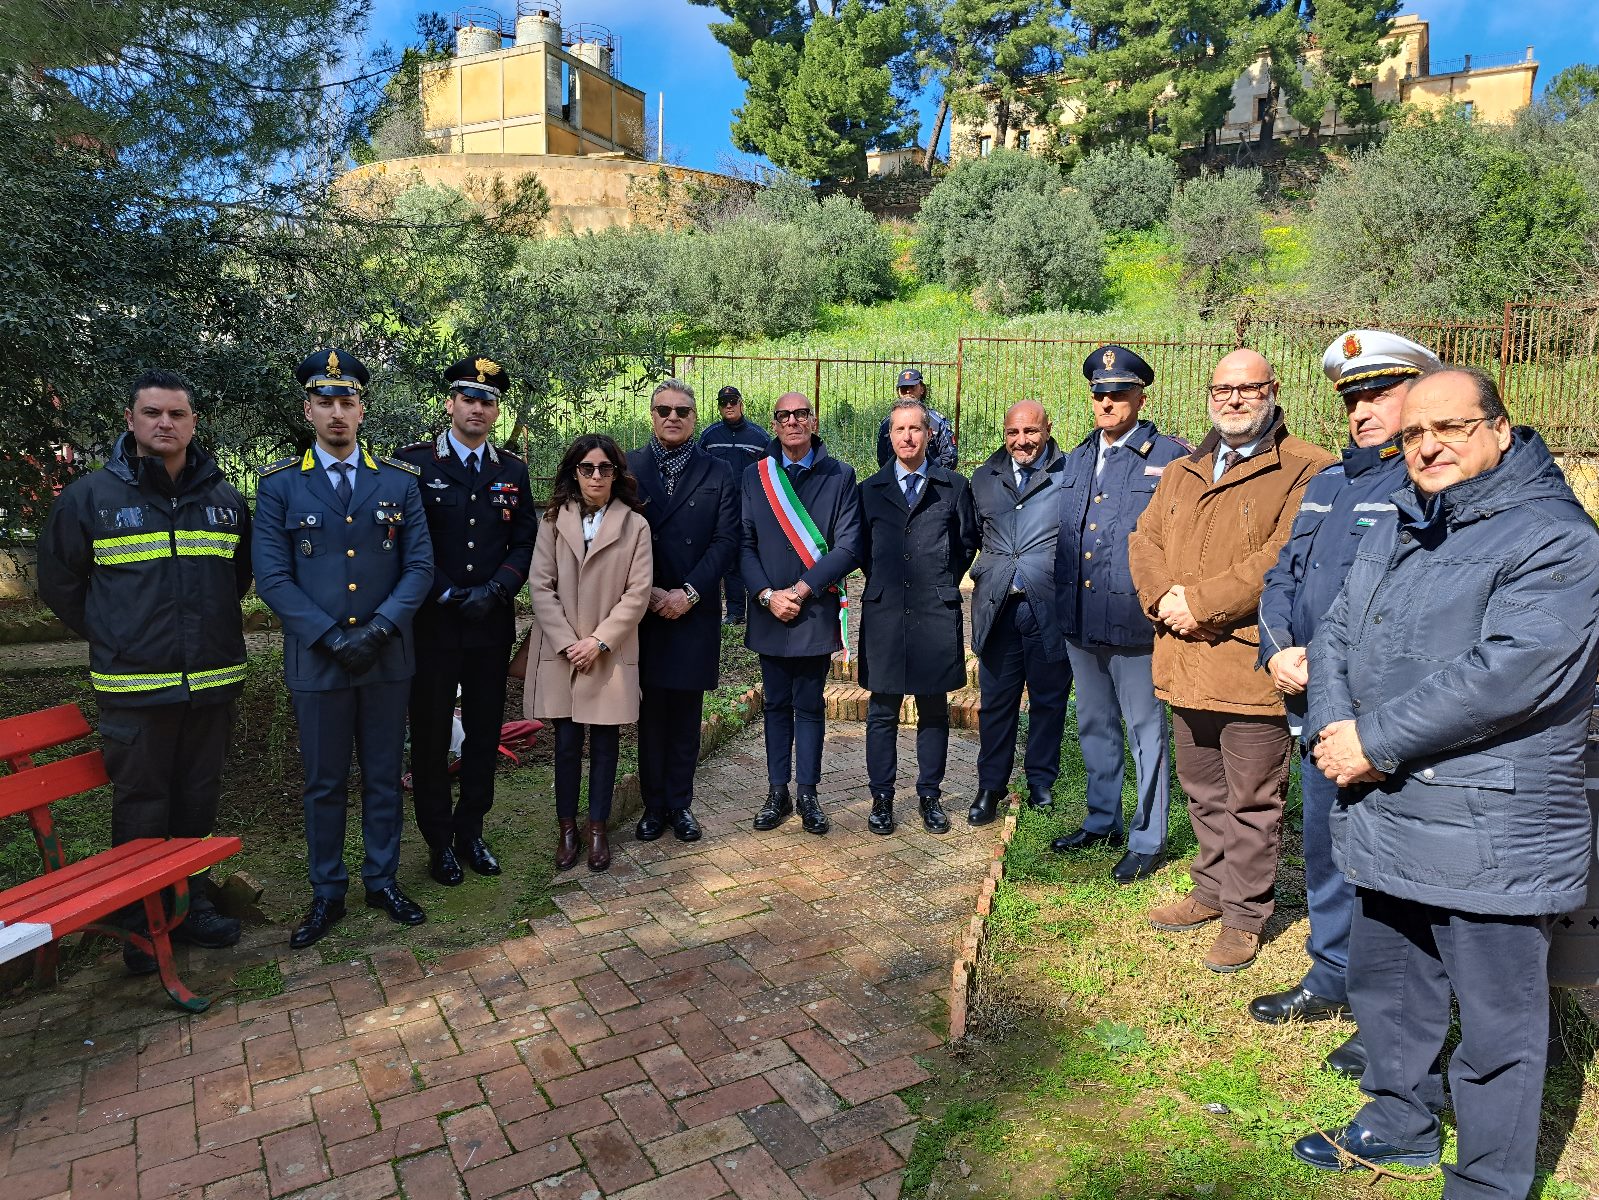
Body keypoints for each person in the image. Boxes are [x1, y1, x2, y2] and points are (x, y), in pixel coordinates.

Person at [1292, 367, 1599, 1199]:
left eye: (1450, 428)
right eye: (1413, 433)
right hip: (1385, 805)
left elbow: (1509, 673)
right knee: (1388, 985)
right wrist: (1334, 730)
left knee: (1497, 1025)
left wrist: (1373, 740)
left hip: (1486, 823)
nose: (1425, 447)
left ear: (1499, 429)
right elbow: (1337, 631)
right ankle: (1397, 1125)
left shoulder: (1557, 539)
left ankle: (1489, 1183)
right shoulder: (1400, 521)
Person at [1247, 331, 1440, 1076]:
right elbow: (1282, 576)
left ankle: (1386, 1008)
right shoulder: (1330, 481)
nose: (1361, 410)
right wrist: (1276, 649)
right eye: (1352, 398)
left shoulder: (1426, 485)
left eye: (1377, 394)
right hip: (1313, 707)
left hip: (1376, 717)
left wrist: (1329, 669)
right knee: (1326, 851)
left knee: (1385, 871)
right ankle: (1331, 973)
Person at [37, 368, 252, 973]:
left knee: (197, 802)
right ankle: (140, 921)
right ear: (130, 422)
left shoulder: (224, 501)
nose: (165, 424)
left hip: (210, 685)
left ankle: (193, 904)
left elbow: (235, 581)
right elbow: (59, 583)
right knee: (142, 806)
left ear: (193, 423)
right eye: (153, 414)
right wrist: (117, 634)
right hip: (134, 692)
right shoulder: (90, 499)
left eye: (177, 414)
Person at [1127, 349, 1335, 973]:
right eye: (1223, 390)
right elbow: (1145, 539)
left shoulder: (1307, 469)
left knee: (1251, 799)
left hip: (1248, 666)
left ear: (1273, 391)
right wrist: (1164, 598)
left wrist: (1201, 604)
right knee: (1202, 787)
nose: (1234, 400)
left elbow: (1280, 557)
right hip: (1183, 661)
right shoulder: (1183, 469)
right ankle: (1212, 889)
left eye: (1247, 389)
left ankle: (1246, 914)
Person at [253, 348, 434, 948]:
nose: (337, 413)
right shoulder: (280, 486)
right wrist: (332, 637)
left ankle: (381, 878)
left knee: (383, 777)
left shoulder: (397, 483)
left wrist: (379, 630)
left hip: (385, 659)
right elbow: (273, 578)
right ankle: (327, 890)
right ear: (308, 409)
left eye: (347, 401)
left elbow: (420, 567)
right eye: (325, 401)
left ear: (363, 409)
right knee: (325, 782)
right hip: (318, 661)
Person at [396, 356, 537, 887]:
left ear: (497, 411)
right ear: (451, 403)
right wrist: (447, 590)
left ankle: (470, 831)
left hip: (488, 624)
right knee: (431, 736)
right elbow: (405, 540)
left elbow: (524, 540)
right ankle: (437, 842)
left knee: (482, 734)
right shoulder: (413, 465)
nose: (478, 407)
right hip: (433, 624)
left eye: (488, 400)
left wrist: (498, 589)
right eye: (469, 397)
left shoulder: (512, 470)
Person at [1052, 346, 1188, 883]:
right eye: (1099, 394)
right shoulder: (1081, 455)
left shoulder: (1170, 458)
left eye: (1118, 393)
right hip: (1082, 617)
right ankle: (1101, 817)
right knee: (1094, 724)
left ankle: (1148, 838)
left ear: (1139, 397)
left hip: (1135, 622)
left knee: (1145, 732)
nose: (1107, 402)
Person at [524, 435, 653, 872]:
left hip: (608, 653)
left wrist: (598, 641)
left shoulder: (635, 525)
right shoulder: (551, 521)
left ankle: (597, 829)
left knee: (604, 743)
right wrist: (567, 642)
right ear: (573, 472)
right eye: (586, 468)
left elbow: (637, 594)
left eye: (604, 468)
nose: (595, 476)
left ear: (617, 473)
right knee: (564, 744)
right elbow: (540, 586)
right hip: (562, 652)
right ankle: (567, 829)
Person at [856, 397, 980, 835]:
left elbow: (966, 543)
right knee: (883, 710)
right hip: (887, 613)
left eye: (915, 429)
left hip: (934, 611)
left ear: (929, 435)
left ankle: (930, 795)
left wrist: (939, 581)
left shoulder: (953, 487)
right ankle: (882, 798)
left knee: (933, 709)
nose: (907, 437)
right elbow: (864, 552)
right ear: (889, 437)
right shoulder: (869, 490)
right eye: (898, 430)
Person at [744, 392, 863, 836]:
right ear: (774, 424)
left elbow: (850, 546)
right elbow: (744, 543)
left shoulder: (840, 476)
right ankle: (778, 792)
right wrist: (766, 595)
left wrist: (799, 589)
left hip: (813, 608)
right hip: (769, 609)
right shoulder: (755, 476)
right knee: (775, 703)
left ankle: (809, 793)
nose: (792, 421)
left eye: (800, 414)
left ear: (813, 421)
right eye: (783, 416)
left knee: (810, 705)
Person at [629, 380, 740, 843]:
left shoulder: (717, 471)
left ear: (695, 418)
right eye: (663, 410)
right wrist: (647, 592)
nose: (672, 417)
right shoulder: (629, 467)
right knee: (650, 712)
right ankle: (653, 806)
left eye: (682, 411)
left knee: (687, 714)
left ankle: (680, 804)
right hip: (642, 608)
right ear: (651, 416)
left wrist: (689, 592)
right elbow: (614, 537)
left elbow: (726, 540)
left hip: (694, 610)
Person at [966, 400, 1072, 825]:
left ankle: (1041, 782)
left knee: (1049, 700)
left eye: (1030, 432)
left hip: (1048, 606)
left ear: (1048, 428)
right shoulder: (983, 478)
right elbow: (969, 533)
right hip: (998, 608)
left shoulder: (1071, 473)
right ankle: (990, 785)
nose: (1021, 441)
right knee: (996, 703)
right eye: (1013, 433)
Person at [698, 385, 768, 624]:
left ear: (741, 403)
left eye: (733, 401)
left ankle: (759, 608)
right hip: (720, 506)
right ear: (718, 407)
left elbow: (769, 473)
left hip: (751, 506)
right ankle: (736, 612)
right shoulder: (709, 437)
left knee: (752, 554)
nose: (728, 405)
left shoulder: (759, 438)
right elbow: (699, 470)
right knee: (728, 559)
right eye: (723, 402)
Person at [875, 369, 958, 471]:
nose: (908, 392)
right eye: (904, 388)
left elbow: (950, 458)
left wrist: (933, 478)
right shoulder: (887, 423)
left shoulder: (937, 422)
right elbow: (882, 459)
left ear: (922, 389)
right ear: (898, 392)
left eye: (912, 387)